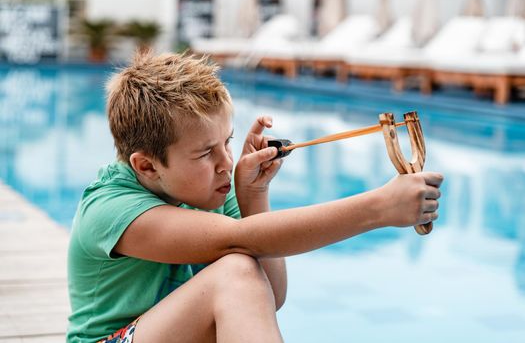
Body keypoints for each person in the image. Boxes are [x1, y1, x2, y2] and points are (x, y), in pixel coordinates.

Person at [67, 51, 443, 343]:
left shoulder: (211, 190)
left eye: (226, 142)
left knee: (241, 273)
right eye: (204, 153)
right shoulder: (110, 209)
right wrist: (378, 208)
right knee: (234, 269)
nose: (225, 163)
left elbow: (270, 297)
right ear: (147, 166)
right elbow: (239, 244)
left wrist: (253, 195)